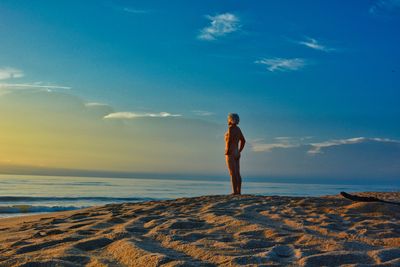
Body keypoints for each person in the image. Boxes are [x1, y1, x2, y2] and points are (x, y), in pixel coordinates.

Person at [225, 113, 246, 195]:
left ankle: (234, 191)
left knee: (232, 173)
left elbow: (229, 140)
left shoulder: (231, 128)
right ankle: (239, 191)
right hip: (237, 152)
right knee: (237, 173)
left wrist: (227, 150)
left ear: (230, 119)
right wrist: (239, 150)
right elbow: (243, 141)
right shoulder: (238, 129)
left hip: (231, 152)